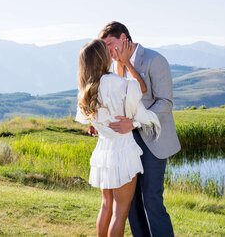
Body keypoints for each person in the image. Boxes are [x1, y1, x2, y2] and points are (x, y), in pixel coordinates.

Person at [99, 21, 181, 237]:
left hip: (154, 141)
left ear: (124, 38)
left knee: (151, 200)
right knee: (131, 204)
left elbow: (165, 103)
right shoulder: (114, 66)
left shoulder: (155, 60)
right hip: (125, 144)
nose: (107, 50)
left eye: (109, 44)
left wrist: (133, 123)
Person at [75, 39, 161, 237]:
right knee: (120, 213)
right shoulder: (120, 84)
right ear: (103, 58)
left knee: (106, 206)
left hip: (103, 152)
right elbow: (140, 90)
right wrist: (125, 62)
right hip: (123, 152)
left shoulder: (87, 90)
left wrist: (120, 66)